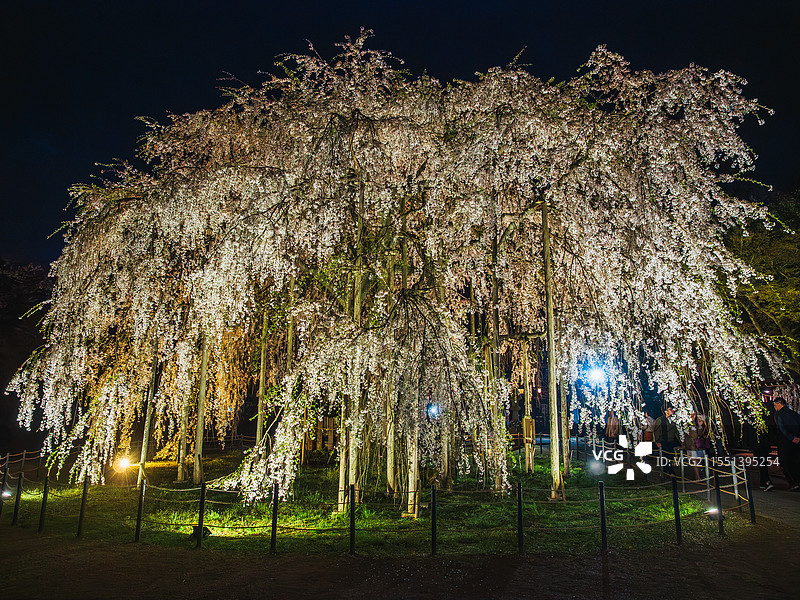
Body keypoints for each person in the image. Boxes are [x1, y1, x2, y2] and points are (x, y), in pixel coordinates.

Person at [773, 397, 800, 490]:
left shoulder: (779, 414)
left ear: (780, 404)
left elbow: (781, 428)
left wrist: (791, 437)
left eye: (775, 405)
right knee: (795, 461)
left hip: (785, 442)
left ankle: (793, 482)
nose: (774, 407)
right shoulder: (794, 414)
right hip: (797, 442)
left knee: (785, 462)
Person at [654, 405, 680, 475]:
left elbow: (676, 432)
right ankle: (669, 471)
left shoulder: (674, 419)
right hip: (663, 441)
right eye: (670, 409)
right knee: (666, 456)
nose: (672, 411)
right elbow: (656, 431)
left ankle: (667, 471)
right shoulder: (660, 420)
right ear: (665, 411)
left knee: (671, 456)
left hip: (672, 441)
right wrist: (657, 442)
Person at [684, 412, 710, 481]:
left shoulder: (697, 424)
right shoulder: (687, 423)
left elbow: (700, 434)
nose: (693, 416)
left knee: (700, 460)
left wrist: (700, 426)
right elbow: (687, 435)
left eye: (694, 415)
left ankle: (700, 474)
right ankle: (697, 476)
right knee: (694, 460)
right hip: (691, 445)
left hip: (698, 445)